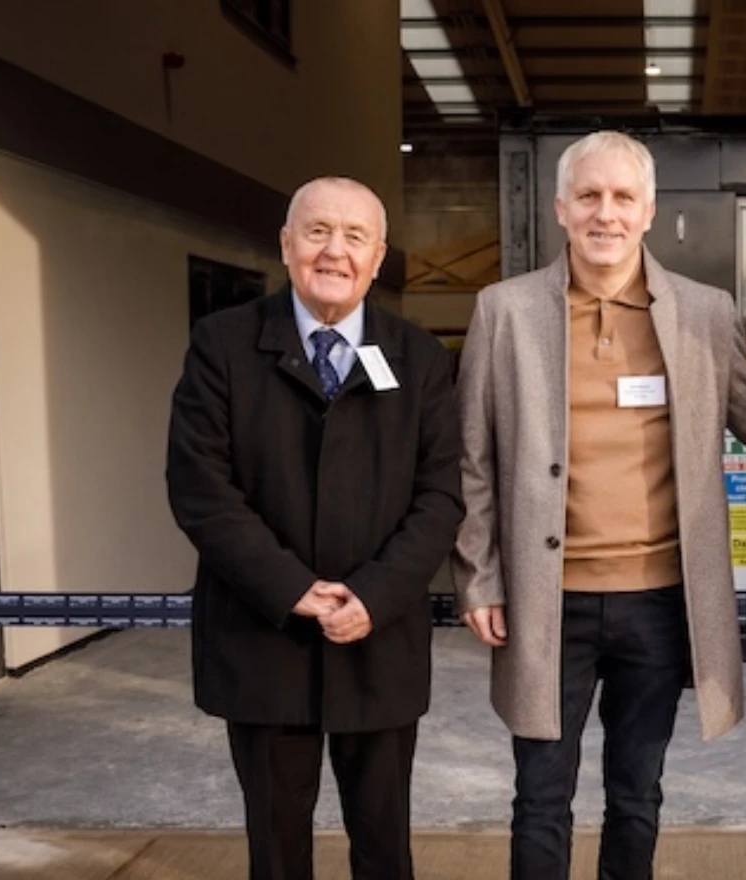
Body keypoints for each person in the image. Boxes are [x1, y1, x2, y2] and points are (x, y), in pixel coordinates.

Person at [452, 130, 746, 880]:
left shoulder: (705, 313)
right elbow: (473, 457)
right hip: (544, 602)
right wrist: (479, 574)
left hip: (659, 604)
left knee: (637, 794)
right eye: (589, 196)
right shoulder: (504, 312)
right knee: (540, 797)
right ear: (560, 208)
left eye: (623, 196)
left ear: (650, 210)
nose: (607, 213)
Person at [166, 176, 464, 880]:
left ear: (379, 254)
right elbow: (200, 488)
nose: (335, 251)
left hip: (378, 640)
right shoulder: (223, 345)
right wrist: (294, 588)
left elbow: (443, 494)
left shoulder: (418, 358)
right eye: (317, 232)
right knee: (276, 849)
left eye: (355, 236)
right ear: (286, 243)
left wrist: (374, 595)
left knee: (385, 847)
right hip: (263, 638)